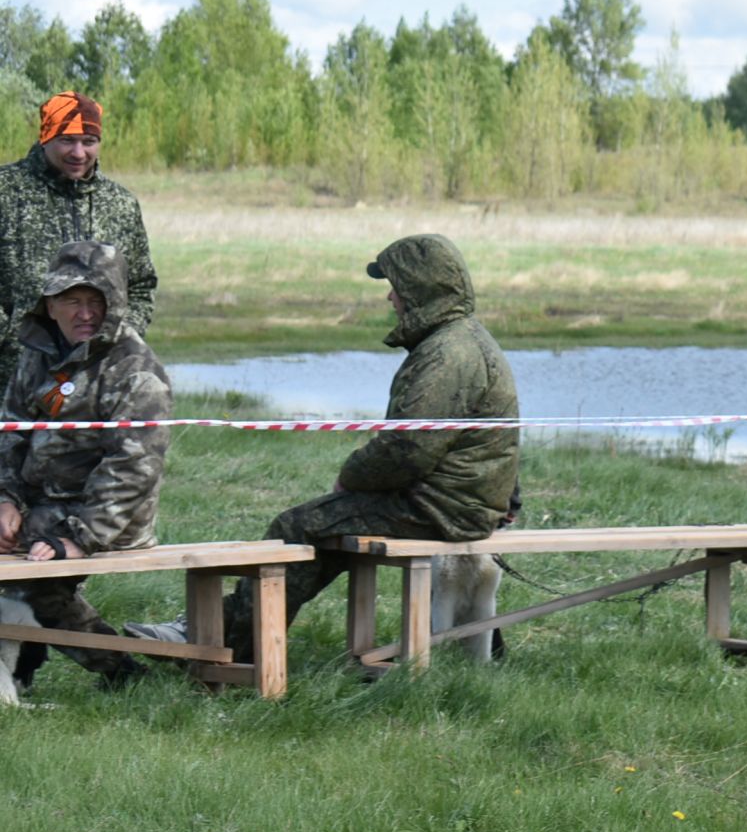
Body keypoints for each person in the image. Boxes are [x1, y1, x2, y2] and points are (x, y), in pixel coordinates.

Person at [128, 233, 518, 662]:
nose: (391, 296)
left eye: (396, 286)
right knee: (325, 526)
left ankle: (227, 643)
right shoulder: (463, 339)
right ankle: (222, 628)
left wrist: (350, 476)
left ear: (419, 288)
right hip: (455, 504)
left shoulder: (448, 353)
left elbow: (408, 450)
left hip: (441, 511)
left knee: (294, 527)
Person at [0, 240, 170, 690]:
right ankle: (22, 670)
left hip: (107, 517)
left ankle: (120, 673)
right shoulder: (37, 353)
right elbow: (10, 432)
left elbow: (135, 467)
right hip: (38, 503)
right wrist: (6, 499)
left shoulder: (136, 369)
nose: (85, 313)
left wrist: (79, 537)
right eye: (72, 301)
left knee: (35, 576)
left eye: (97, 301)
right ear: (51, 304)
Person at [0, 93, 157, 403]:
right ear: (46, 138)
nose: (78, 152)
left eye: (88, 141)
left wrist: (118, 340)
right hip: (11, 377)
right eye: (67, 141)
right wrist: (7, 339)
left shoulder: (120, 204)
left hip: (99, 380)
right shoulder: (6, 193)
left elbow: (140, 285)